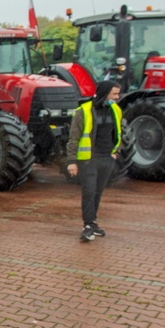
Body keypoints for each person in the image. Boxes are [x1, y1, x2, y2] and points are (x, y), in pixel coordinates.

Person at [66, 80, 123, 242]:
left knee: (98, 192)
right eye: (114, 94)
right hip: (89, 160)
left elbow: (120, 132)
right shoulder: (83, 111)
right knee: (89, 192)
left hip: (107, 158)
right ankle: (88, 225)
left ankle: (93, 222)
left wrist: (115, 153)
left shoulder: (115, 110)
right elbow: (74, 138)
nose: (117, 97)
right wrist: (71, 161)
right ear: (105, 93)